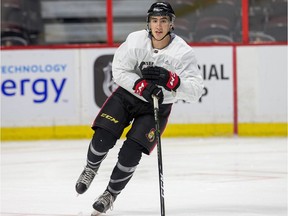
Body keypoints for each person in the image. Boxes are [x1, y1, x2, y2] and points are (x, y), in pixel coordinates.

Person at [75, 1, 204, 214]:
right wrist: (139, 84)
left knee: (130, 154)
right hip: (128, 96)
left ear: (171, 24)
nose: (159, 26)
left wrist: (174, 81)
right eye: (154, 21)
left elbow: (196, 90)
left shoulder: (183, 52)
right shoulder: (135, 41)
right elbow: (119, 69)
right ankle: (90, 168)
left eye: (163, 21)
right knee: (103, 137)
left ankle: (110, 194)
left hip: (157, 105)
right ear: (149, 23)